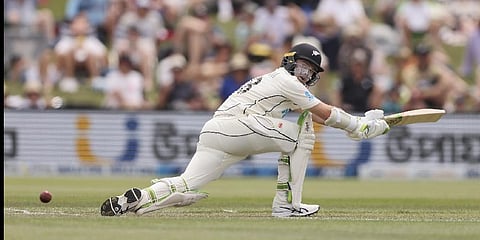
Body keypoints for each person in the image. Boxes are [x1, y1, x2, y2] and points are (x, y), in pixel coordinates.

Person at [100, 43, 390, 218]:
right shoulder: (286, 81)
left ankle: (142, 197)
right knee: (303, 128)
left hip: (216, 131)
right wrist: (361, 126)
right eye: (302, 67)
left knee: (187, 183)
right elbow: (323, 112)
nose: (305, 75)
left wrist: (357, 125)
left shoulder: (278, 82)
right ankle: (287, 206)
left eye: (310, 72)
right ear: (290, 63)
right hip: (239, 125)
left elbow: (323, 113)